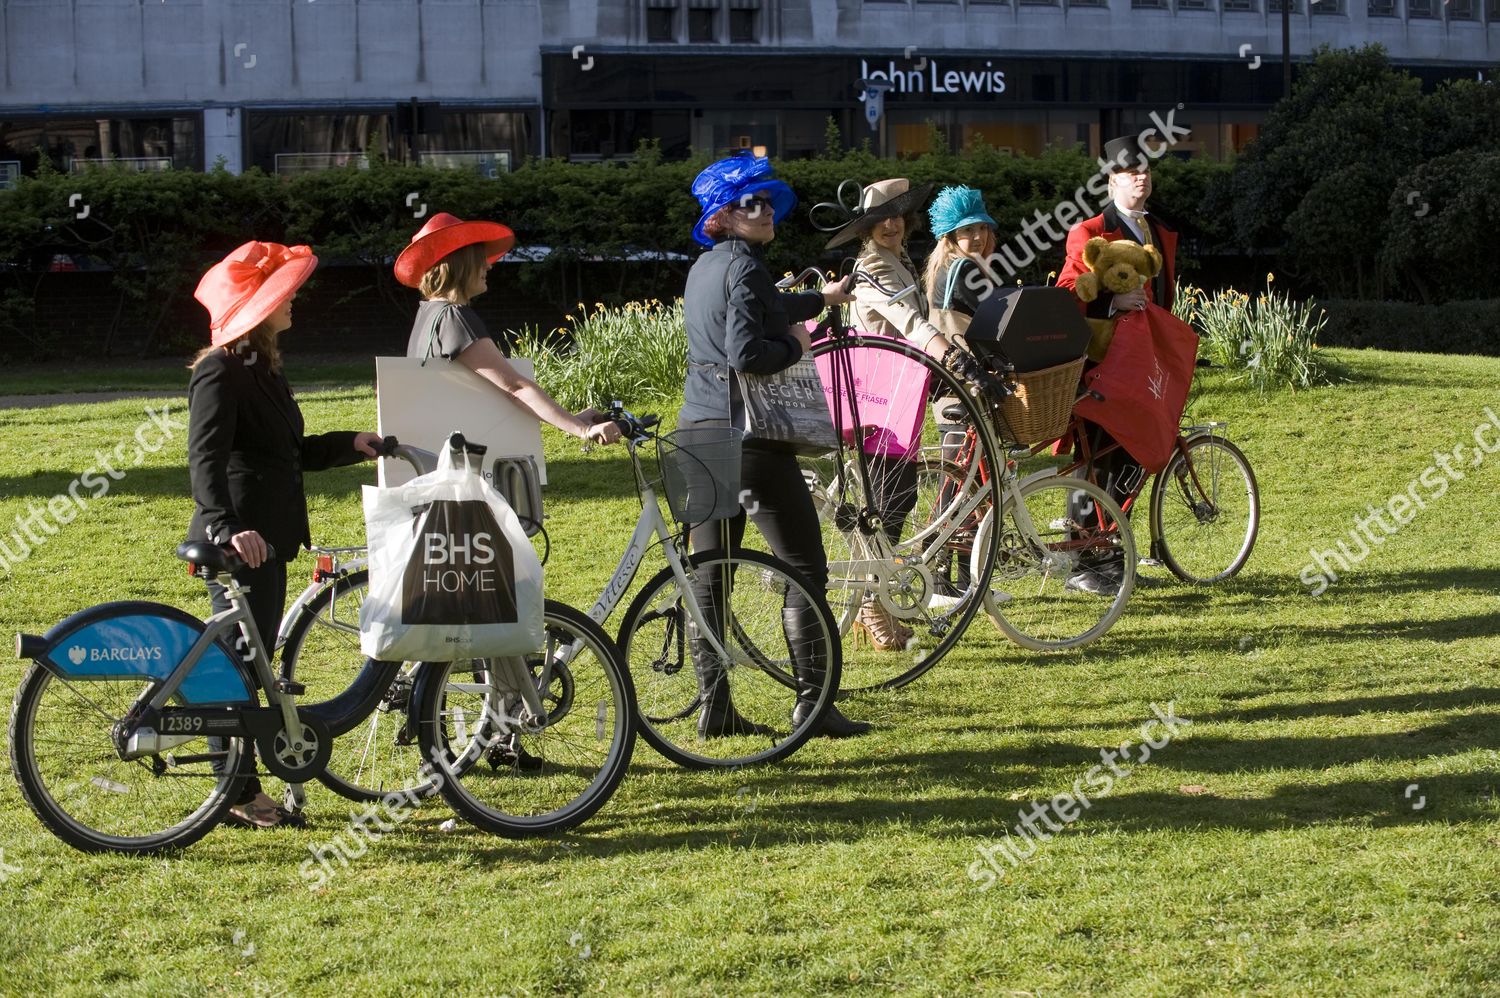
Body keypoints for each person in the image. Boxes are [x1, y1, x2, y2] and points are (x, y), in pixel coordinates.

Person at [187, 240, 383, 829]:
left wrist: (350, 443)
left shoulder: (262, 366)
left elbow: (287, 454)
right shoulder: (220, 369)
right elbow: (204, 460)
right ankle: (238, 793)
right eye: (284, 292)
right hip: (241, 541)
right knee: (242, 665)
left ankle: (237, 788)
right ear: (260, 304)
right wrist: (227, 526)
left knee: (250, 661)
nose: (294, 297)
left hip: (268, 539)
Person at [681, 151, 870, 738]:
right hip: (751, 440)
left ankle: (713, 708)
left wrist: (822, 302)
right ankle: (813, 707)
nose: (763, 210)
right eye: (748, 203)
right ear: (724, 216)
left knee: (709, 575)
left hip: (699, 431)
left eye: (766, 200)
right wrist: (797, 345)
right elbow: (748, 352)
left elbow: (767, 305)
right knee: (803, 569)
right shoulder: (745, 269)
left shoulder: (706, 268)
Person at [819, 178, 997, 650]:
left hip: (900, 395)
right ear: (867, 229)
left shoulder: (896, 261)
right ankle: (871, 608)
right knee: (885, 506)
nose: (893, 224)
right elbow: (912, 325)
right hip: (877, 401)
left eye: (898, 216)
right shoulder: (872, 267)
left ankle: (876, 601)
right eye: (882, 219)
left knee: (891, 501)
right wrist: (953, 358)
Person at [1055, 135, 1181, 596]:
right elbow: (1071, 292)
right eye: (1131, 172)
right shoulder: (1088, 231)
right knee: (1095, 459)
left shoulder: (1158, 231)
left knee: (1131, 456)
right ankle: (1082, 563)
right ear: (1111, 181)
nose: (1142, 177)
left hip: (1146, 362)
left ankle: (1113, 554)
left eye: (1145, 170)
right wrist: (1112, 300)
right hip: (1102, 362)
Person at [394, 212, 622, 449]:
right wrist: (584, 429)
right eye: (479, 258)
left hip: (435, 448)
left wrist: (571, 419)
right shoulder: (454, 317)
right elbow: (514, 388)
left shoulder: (428, 313)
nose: (488, 265)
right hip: (459, 457)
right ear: (460, 263)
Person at [923, 185, 1002, 345]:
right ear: (950, 236)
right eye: (968, 230)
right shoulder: (964, 268)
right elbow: (995, 319)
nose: (979, 237)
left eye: (983, 227)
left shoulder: (943, 264)